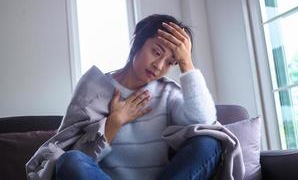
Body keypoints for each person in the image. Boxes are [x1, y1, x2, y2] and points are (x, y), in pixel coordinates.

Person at [31, 14, 222, 180]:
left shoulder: (168, 93)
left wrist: (186, 63)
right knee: (71, 160)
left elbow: (204, 120)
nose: (159, 66)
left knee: (208, 144)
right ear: (138, 42)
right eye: (156, 52)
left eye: (170, 62)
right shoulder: (94, 86)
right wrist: (115, 122)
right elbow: (75, 159)